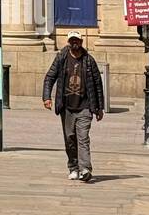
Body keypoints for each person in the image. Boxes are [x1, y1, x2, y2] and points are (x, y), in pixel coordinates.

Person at [42, 32, 105, 182]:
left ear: (82, 42)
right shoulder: (61, 58)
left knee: (83, 138)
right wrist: (46, 97)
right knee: (70, 138)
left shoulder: (89, 60)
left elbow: (97, 85)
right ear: (69, 42)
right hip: (67, 107)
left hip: (85, 106)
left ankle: (85, 169)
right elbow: (50, 77)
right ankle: (73, 167)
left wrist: (99, 108)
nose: (75, 43)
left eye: (77, 40)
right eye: (72, 40)